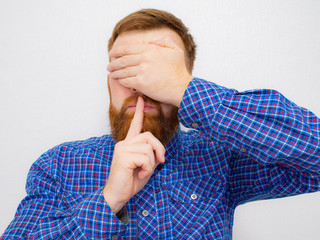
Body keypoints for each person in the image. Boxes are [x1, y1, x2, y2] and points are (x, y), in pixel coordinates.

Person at [1, 8, 320, 240]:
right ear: (108, 83)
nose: (141, 85)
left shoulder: (220, 156)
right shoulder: (58, 165)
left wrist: (185, 89)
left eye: (157, 72)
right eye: (126, 70)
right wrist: (108, 200)